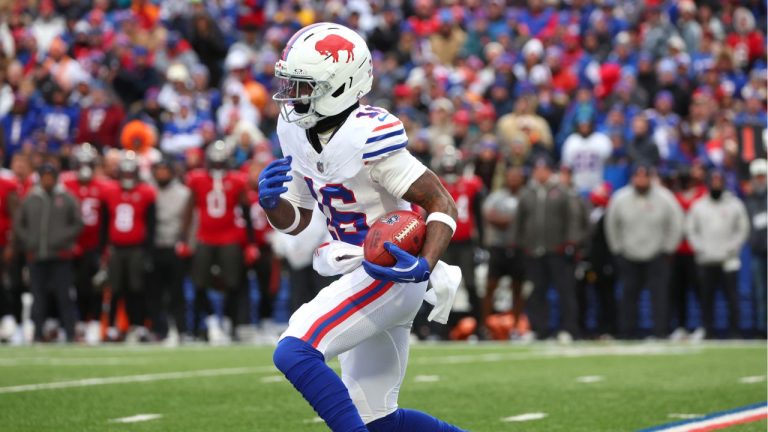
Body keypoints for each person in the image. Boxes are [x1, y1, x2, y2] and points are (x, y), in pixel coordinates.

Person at [264, 23, 464, 432]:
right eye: (291, 84)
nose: (292, 96)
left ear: (340, 85)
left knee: (294, 350)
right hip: (358, 269)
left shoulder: (367, 135)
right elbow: (299, 219)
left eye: (304, 87)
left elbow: (442, 202)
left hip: (388, 270)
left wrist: (423, 264)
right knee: (380, 420)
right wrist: (273, 206)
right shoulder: (294, 130)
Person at [179, 140, 253, 343]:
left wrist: (250, 243)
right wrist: (184, 239)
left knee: (233, 283)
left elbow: (246, 213)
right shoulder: (197, 179)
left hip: (230, 238)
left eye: (221, 162)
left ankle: (230, 322)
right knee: (199, 282)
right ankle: (211, 321)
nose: (218, 166)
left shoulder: (237, 181)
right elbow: (188, 211)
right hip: (205, 237)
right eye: (215, 162)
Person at [606, 165, 684, 339]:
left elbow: (676, 223)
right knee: (628, 296)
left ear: (651, 178)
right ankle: (627, 332)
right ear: (632, 178)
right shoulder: (620, 198)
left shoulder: (665, 198)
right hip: (628, 255)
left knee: (660, 296)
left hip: (657, 254)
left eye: (644, 176)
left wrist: (668, 249)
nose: (641, 180)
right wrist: (617, 249)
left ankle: (661, 331)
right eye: (637, 176)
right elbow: (611, 225)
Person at [515, 156, 581, 341]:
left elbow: (572, 218)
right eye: (537, 169)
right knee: (536, 292)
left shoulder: (562, 191)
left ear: (550, 171)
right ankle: (539, 329)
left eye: (544, 169)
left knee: (565, 292)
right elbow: (519, 220)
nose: (540, 173)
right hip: (533, 250)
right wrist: (519, 244)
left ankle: (569, 329)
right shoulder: (527, 192)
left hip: (557, 250)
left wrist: (570, 242)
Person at [14, 163, 82, 342]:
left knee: (64, 296)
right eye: (44, 177)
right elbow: (19, 223)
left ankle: (70, 333)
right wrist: (29, 241)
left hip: (61, 256)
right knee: (38, 298)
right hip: (36, 255)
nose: (47, 180)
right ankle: (37, 334)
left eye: (50, 177)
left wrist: (62, 239)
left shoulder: (67, 197)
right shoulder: (30, 198)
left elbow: (77, 223)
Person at [686, 170, 750, 339]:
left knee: (732, 298)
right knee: (706, 298)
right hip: (706, 260)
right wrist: (700, 248)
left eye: (718, 181)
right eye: (713, 181)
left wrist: (732, 248)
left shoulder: (734, 204)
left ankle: (735, 331)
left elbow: (742, 229)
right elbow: (691, 230)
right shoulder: (698, 205)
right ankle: (708, 330)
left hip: (729, 259)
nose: (716, 185)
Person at [103, 152, 157, 342]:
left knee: (137, 288)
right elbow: (104, 223)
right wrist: (103, 249)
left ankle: (139, 325)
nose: (127, 176)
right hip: (116, 248)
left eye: (130, 172)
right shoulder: (110, 191)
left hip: (136, 248)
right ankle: (111, 327)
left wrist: (148, 252)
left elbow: (151, 225)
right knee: (115, 289)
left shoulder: (146, 192)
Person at [60, 143, 110, 344]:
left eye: (88, 163)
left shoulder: (104, 187)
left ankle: (94, 323)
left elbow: (108, 219)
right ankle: (75, 323)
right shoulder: (65, 184)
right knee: (69, 287)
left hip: (94, 245)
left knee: (95, 286)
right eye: (81, 162)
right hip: (70, 244)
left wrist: (105, 247)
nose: (84, 167)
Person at [436, 148, 484, 335]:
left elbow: (478, 215)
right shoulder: (436, 184)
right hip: (443, 242)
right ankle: (440, 329)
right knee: (442, 287)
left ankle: (479, 327)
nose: (449, 169)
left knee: (471, 284)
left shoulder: (471, 185)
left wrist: (481, 243)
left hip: (465, 243)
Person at [481, 165, 527, 339]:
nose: (514, 180)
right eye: (511, 177)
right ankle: (485, 326)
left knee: (518, 288)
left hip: (519, 247)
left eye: (517, 177)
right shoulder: (497, 197)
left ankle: (515, 326)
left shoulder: (526, 197)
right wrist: (513, 220)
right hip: (498, 247)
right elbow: (490, 216)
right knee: (490, 287)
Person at [149, 158, 190, 342]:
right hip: (155, 246)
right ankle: (160, 330)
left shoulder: (183, 193)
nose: (161, 174)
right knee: (154, 293)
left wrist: (187, 243)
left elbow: (190, 221)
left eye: (165, 170)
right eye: (158, 171)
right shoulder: (149, 191)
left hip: (175, 246)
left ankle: (180, 329)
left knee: (176, 292)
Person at [745, 159, 767, 337]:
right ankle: (762, 329)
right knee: (760, 293)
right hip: (758, 251)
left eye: (762, 176)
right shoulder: (750, 200)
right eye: (757, 176)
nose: (760, 180)